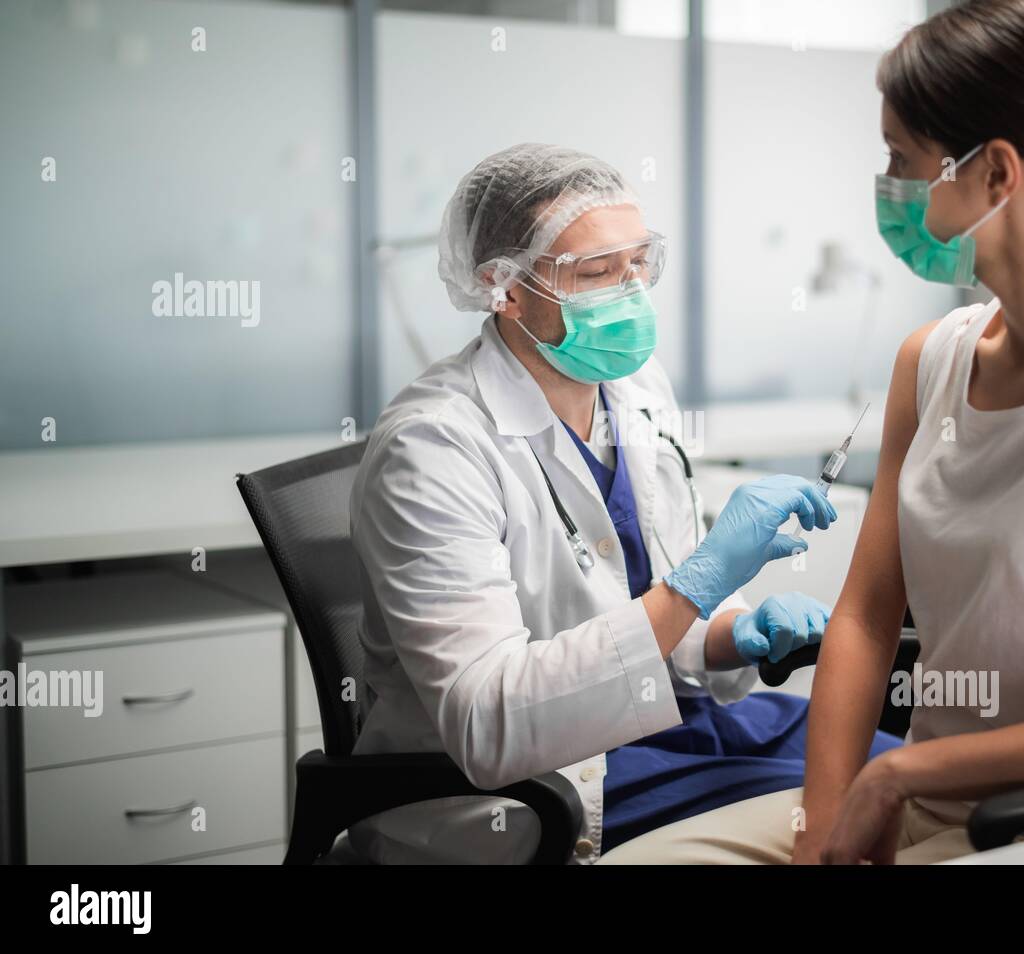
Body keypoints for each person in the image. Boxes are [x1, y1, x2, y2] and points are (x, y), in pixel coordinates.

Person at [599, 0, 1024, 865]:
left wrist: (899, 774)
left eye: (902, 159)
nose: (889, 186)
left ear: (996, 175)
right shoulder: (931, 360)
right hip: (916, 801)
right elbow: (866, 619)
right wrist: (823, 823)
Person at [346, 143, 900, 864]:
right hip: (549, 778)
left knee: (905, 767)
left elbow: (636, 596)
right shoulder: (432, 449)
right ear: (503, 288)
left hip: (670, 720)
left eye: (639, 263)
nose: (631, 292)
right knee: (861, 808)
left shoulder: (635, 393)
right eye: (597, 273)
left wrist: (734, 632)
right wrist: (697, 584)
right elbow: (490, 724)